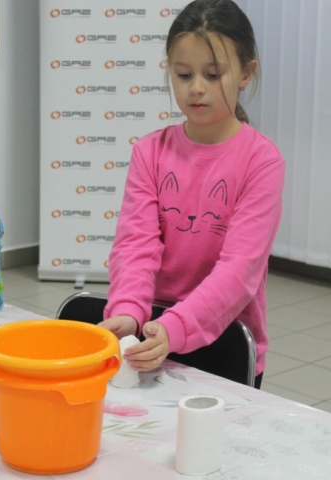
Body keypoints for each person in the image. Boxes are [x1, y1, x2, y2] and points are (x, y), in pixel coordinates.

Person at [100, 0, 285, 389]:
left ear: (246, 73)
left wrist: (178, 326)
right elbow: (135, 244)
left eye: (213, 74)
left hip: (226, 341)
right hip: (151, 333)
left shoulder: (262, 161)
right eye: (184, 74)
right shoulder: (150, 152)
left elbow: (239, 271)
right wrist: (128, 310)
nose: (196, 88)